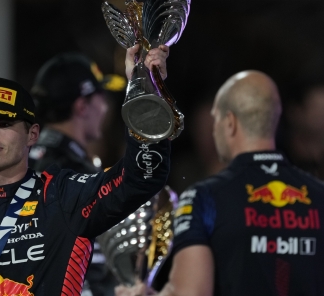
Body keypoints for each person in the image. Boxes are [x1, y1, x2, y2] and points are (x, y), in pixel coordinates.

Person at [0, 44, 171, 296]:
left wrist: (143, 88)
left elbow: (141, 177)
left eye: (3, 124)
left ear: (32, 134)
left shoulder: (64, 197)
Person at [119, 70, 324, 296]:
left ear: (230, 123)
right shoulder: (319, 195)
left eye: (215, 118)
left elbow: (192, 292)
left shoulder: (203, 199)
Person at [29, 52, 124, 296]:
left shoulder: (21, 161)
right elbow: (92, 269)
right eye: (100, 97)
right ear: (82, 106)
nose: (105, 107)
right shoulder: (77, 174)